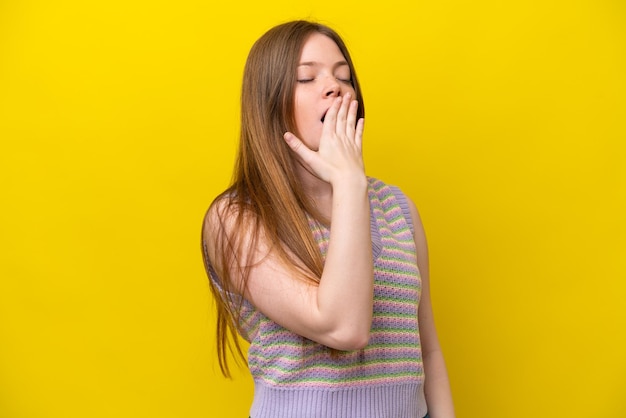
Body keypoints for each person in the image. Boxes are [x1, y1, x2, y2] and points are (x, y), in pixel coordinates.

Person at [201, 20, 455, 418]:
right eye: (307, 77)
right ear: (268, 103)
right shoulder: (237, 218)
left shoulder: (398, 209)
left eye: (344, 76)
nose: (335, 86)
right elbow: (344, 328)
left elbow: (428, 351)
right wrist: (350, 184)